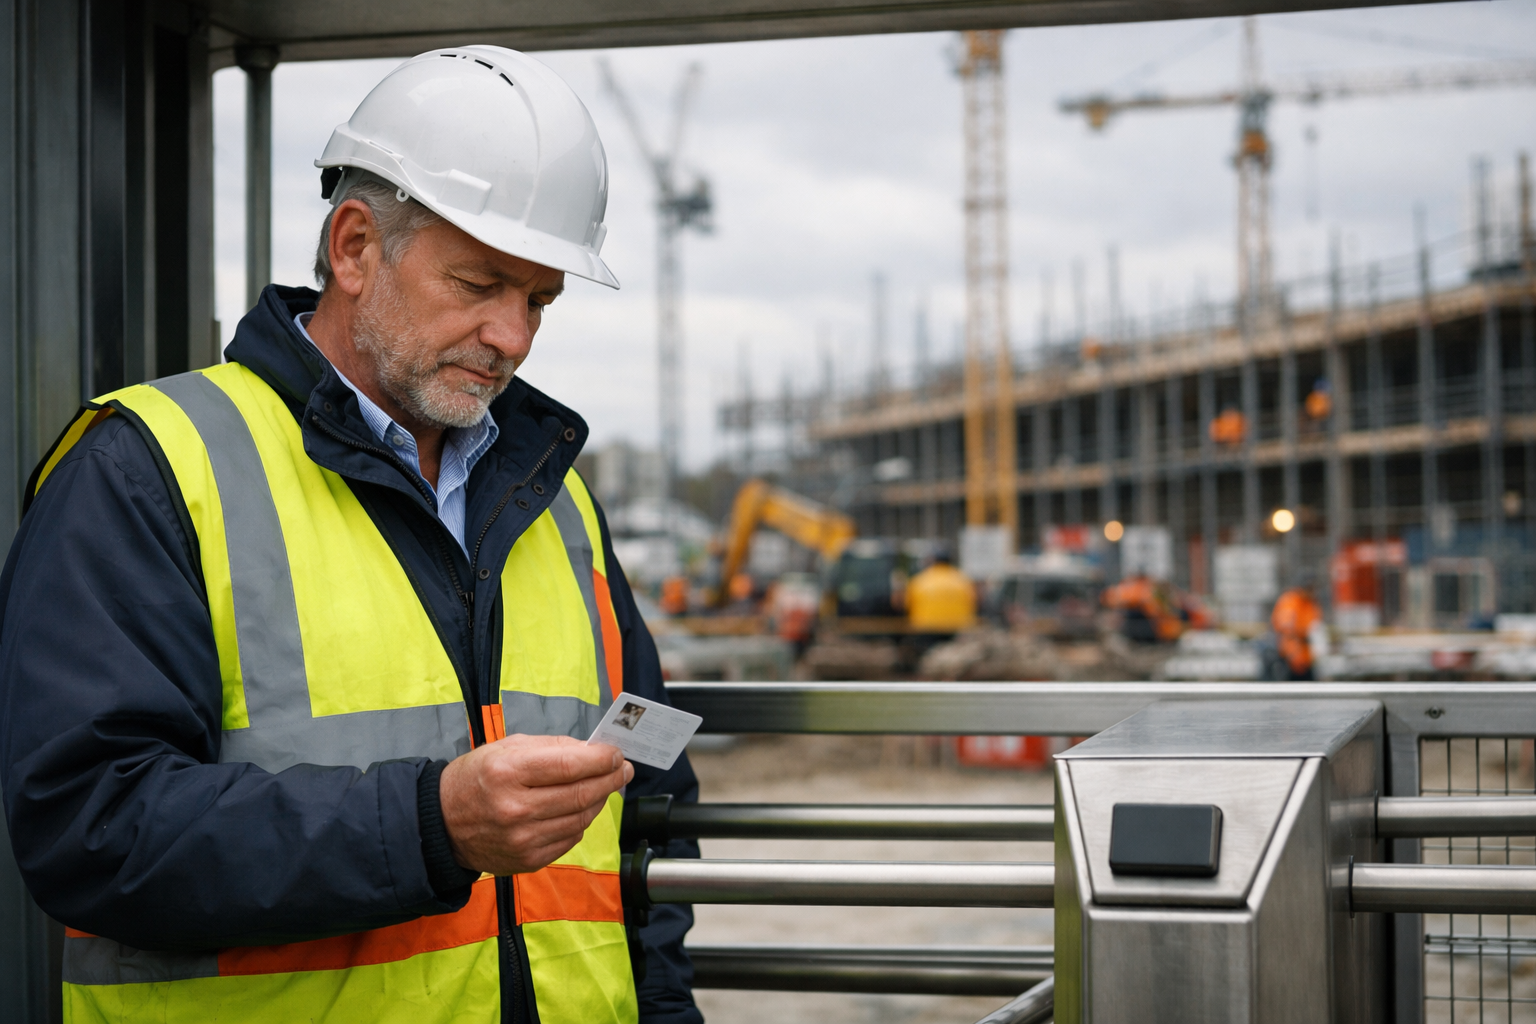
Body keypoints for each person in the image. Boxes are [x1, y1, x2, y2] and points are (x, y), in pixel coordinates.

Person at [0, 47, 701, 1024]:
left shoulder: (558, 501)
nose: (514, 336)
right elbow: (91, 828)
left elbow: (649, 817)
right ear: (356, 247)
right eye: (479, 283)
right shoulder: (147, 467)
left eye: (539, 298)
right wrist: (431, 825)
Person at [1272, 583, 1324, 681]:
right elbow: (1287, 630)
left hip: (1307, 657)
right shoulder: (1290, 601)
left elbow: (1316, 627)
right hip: (1291, 657)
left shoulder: (1311, 603)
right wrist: (1293, 655)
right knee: (1291, 689)